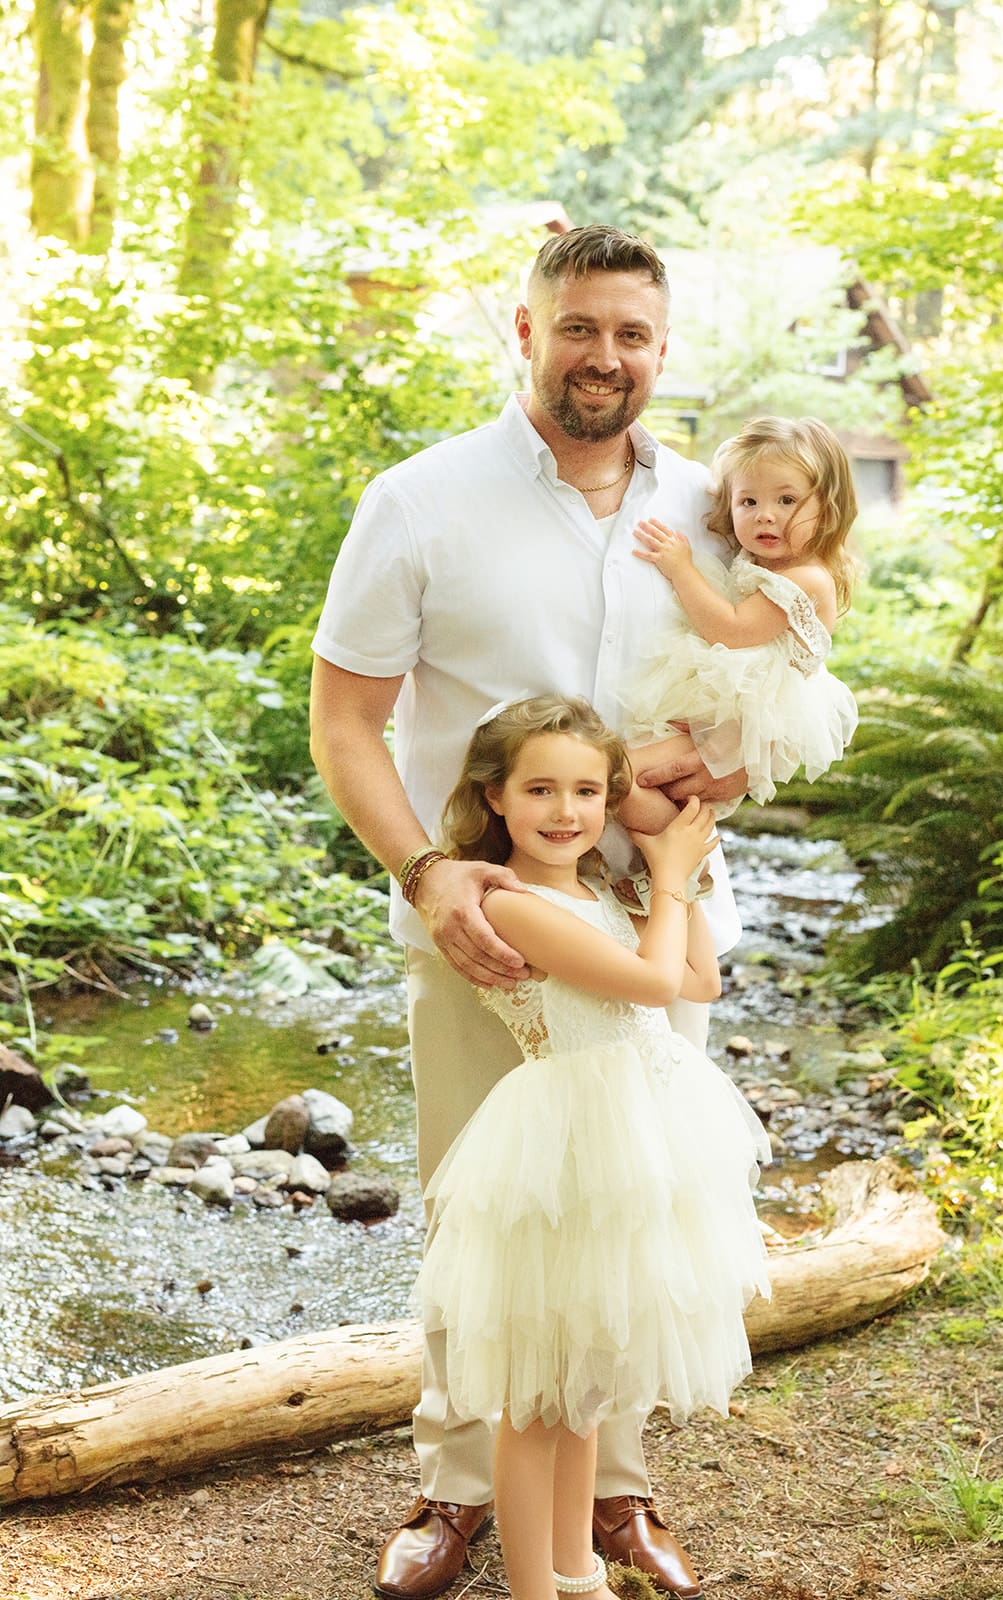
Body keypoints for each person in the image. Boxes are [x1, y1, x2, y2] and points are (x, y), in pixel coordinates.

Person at [309, 223, 749, 1600]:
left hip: (655, 928)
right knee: (481, 1215)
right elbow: (344, 720)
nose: (602, 357)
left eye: (629, 334)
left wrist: (718, 769)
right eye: (577, 328)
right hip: (481, 924)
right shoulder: (420, 500)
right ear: (523, 332)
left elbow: (750, 704)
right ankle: (456, 1489)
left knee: (631, 1209)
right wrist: (427, 872)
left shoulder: (716, 520)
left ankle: (610, 1494)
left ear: (661, 351)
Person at [418, 695, 770, 1600]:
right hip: (567, 1145)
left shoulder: (600, 892)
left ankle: (579, 1575)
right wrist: (674, 873)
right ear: (494, 797)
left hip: (637, 1134)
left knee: (587, 1385)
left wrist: (665, 874)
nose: (565, 812)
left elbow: (699, 978)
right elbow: (656, 981)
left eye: (585, 790)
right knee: (538, 1397)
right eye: (540, 789)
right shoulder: (509, 898)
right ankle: (535, 1590)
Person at [617, 416, 859, 866]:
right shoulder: (771, 563)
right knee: (632, 779)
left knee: (617, 773)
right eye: (748, 500)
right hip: (719, 713)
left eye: (787, 500)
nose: (765, 514)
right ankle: (665, 864)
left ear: (827, 508)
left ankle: (680, 865)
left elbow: (729, 629)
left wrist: (680, 567)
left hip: (737, 719)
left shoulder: (805, 578)